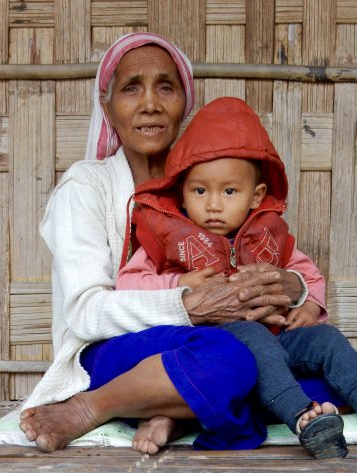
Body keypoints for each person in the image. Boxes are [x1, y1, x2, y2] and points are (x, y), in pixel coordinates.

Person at [18, 33, 309, 456]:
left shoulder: (201, 187)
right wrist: (186, 306)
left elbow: (264, 252)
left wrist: (291, 284)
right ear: (108, 106)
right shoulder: (84, 188)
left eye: (166, 87)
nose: (150, 103)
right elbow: (83, 313)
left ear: (184, 104)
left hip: (213, 339)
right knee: (232, 360)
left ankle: (167, 409)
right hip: (106, 353)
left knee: (318, 364)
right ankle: (92, 406)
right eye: (132, 87)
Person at [117, 97, 357, 458]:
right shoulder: (170, 241)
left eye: (229, 191)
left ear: (255, 195)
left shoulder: (268, 237)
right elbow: (128, 284)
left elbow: (307, 275)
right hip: (212, 351)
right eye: (200, 191)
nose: (213, 204)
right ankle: (303, 417)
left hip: (277, 341)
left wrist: (309, 304)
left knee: (326, 339)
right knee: (250, 337)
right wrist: (179, 287)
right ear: (182, 194)